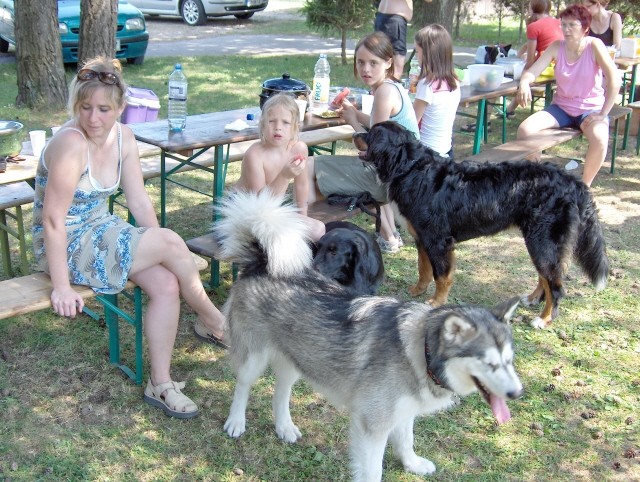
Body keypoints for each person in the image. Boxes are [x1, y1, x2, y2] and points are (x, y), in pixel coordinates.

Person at [31, 56, 227, 419]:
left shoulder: (124, 137)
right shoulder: (71, 144)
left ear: (121, 108)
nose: (93, 117)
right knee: (168, 242)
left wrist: (158, 250)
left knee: (167, 283)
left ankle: (161, 383)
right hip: (64, 244)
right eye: (85, 107)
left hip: (102, 230)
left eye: (104, 108)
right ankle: (215, 322)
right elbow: (53, 220)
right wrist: (61, 286)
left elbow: (137, 199)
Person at [306, 32, 420, 253]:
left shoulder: (384, 92)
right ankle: (389, 236)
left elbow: (372, 149)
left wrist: (352, 123)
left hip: (392, 182)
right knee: (326, 173)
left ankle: (302, 225)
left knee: (308, 165)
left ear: (388, 63)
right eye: (361, 62)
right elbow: (382, 125)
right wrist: (355, 113)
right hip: (403, 175)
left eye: (373, 63)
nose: (366, 69)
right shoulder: (392, 87)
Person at [515, 4, 621, 187]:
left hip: (589, 109)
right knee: (525, 130)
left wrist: (603, 113)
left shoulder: (594, 45)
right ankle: (538, 180)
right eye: (563, 25)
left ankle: (584, 188)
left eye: (572, 25)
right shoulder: (557, 46)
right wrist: (524, 82)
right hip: (561, 108)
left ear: (585, 28)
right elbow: (532, 71)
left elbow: (614, 80)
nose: (566, 29)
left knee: (600, 138)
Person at [234, 93, 325, 241]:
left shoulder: (298, 149)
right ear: (262, 125)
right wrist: (284, 176)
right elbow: (260, 207)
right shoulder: (255, 155)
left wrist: (302, 218)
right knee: (279, 237)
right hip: (245, 213)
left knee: (318, 230)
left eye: (285, 123)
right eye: (272, 121)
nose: (278, 128)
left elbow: (301, 185)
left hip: (273, 210)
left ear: (295, 127)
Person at [506, 0, 564, 117]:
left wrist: (522, 74)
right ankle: (509, 110)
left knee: (518, 77)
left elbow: (531, 60)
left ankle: (495, 113)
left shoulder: (534, 26)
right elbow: (532, 44)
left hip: (546, 68)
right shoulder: (558, 22)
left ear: (532, 8)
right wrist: (519, 54)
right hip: (561, 65)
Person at [412, 24, 460, 158]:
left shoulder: (426, 84)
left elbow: (412, 122)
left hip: (426, 156)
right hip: (446, 151)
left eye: (417, 51)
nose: (416, 56)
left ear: (427, 53)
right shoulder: (455, 82)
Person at [374, 0, 415, 80]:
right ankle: (389, 91)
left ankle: (379, 91)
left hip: (382, 16)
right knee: (396, 67)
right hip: (394, 19)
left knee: (381, 61)